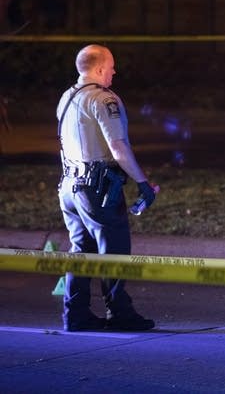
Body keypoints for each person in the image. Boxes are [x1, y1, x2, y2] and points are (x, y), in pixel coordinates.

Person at [57, 44, 157, 332]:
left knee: (81, 251)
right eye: (111, 66)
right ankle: (120, 313)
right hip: (97, 189)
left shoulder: (67, 97)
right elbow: (117, 147)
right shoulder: (103, 100)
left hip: (70, 187)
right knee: (113, 248)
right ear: (99, 69)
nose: (115, 71)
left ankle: (75, 315)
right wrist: (142, 182)